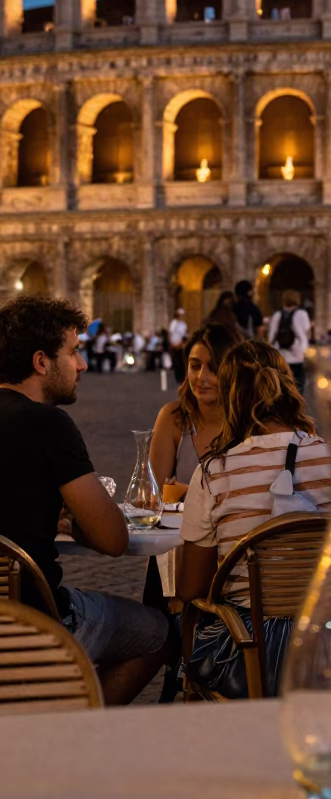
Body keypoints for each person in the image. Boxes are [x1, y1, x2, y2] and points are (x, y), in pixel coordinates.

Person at [0, 295, 167, 705]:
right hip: (35, 618)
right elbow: (112, 539)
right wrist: (74, 523)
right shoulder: (46, 424)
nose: (82, 365)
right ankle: (74, 731)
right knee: (157, 633)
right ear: (41, 362)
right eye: (73, 352)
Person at [178, 341, 331, 696]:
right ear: (288, 386)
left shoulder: (215, 473)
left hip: (248, 649)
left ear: (231, 398)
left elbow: (191, 590)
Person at [150, 322, 242, 489]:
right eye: (195, 366)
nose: (201, 377)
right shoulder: (173, 418)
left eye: (214, 368)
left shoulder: (252, 422)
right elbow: (154, 499)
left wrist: (186, 491)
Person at [268, 289, 311, 393]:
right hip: (298, 356)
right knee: (299, 386)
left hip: (281, 356)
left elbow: (271, 336)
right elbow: (307, 332)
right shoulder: (301, 314)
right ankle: (297, 407)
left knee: (282, 387)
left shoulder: (277, 315)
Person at [168, 307, 188, 384]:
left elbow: (184, 335)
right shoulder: (174, 323)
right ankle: (178, 378)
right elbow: (171, 334)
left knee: (181, 362)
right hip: (174, 345)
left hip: (181, 345)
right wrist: (172, 343)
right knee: (176, 362)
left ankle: (182, 378)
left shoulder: (183, 324)